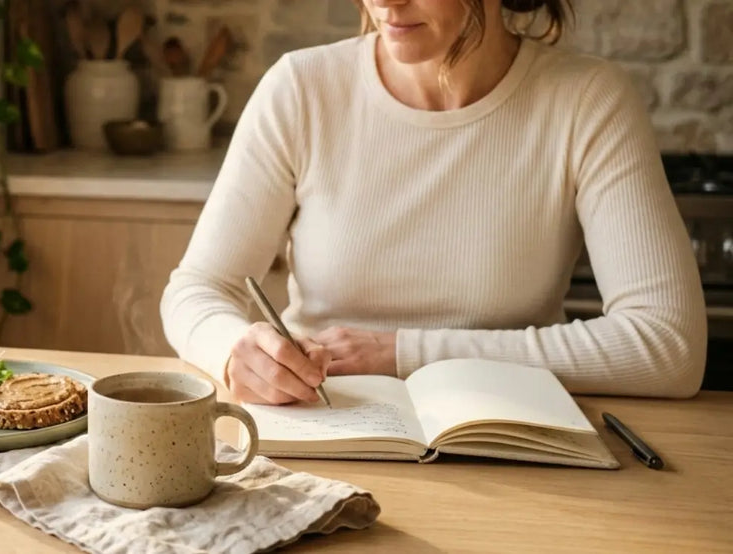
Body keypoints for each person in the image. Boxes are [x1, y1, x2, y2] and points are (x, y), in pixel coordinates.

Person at [159, 0, 706, 404]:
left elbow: (667, 344)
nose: (385, 4)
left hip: (511, 435)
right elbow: (198, 288)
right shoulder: (302, 89)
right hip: (326, 426)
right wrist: (235, 350)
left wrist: (403, 353)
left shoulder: (586, 100)